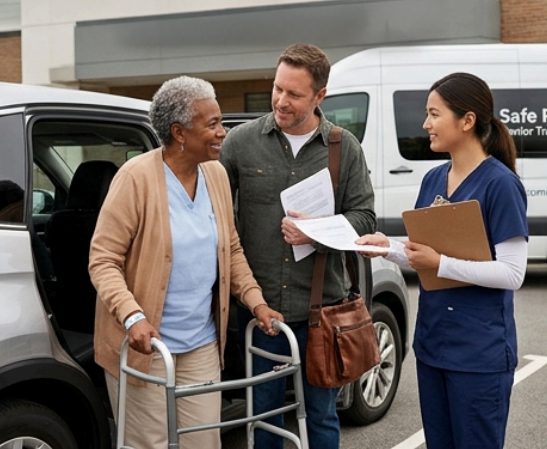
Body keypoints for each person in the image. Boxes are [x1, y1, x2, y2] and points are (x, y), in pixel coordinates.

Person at [89, 75, 283, 449]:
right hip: (147, 347)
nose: (222, 133)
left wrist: (255, 300)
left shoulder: (216, 175)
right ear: (179, 132)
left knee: (203, 442)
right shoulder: (135, 178)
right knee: (153, 444)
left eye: (221, 122)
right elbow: (103, 260)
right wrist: (133, 316)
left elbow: (231, 249)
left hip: (200, 345)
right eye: (211, 124)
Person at [356, 72, 528, 449]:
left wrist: (441, 263)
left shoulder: (500, 184)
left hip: (479, 355)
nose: (425, 124)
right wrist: (387, 246)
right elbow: (425, 251)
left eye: (434, 114)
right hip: (434, 347)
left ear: (467, 121)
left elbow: (512, 273)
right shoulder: (433, 179)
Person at [221, 43, 376, 449]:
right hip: (261, 310)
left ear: (320, 96)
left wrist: (318, 231)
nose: (280, 101)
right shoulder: (240, 143)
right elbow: (216, 215)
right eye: (277, 89)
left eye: (294, 94)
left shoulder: (345, 149)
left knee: (322, 416)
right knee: (265, 417)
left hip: (321, 310)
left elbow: (364, 218)